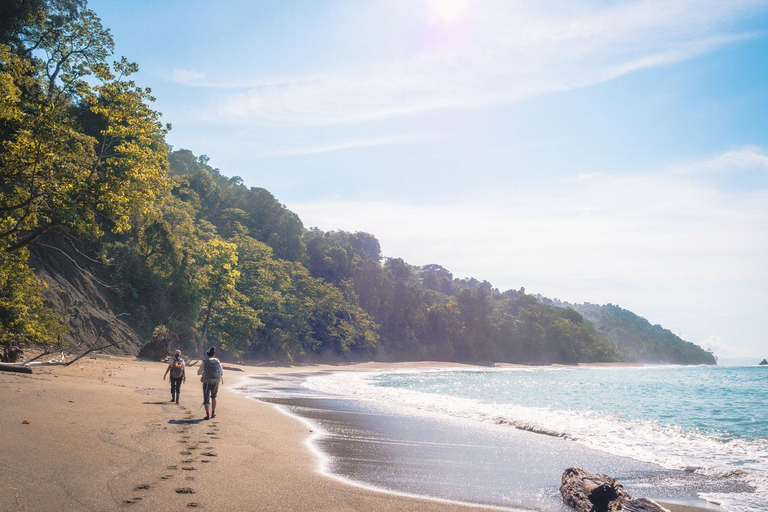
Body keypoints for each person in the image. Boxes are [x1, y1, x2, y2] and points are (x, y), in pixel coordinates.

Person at [197, 346, 223, 420]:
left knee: (206, 398)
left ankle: (207, 414)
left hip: (206, 382)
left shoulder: (205, 361)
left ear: (207, 354)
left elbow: (199, 371)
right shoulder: (217, 361)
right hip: (215, 382)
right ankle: (213, 412)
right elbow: (221, 372)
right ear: (214, 354)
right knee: (214, 397)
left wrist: (200, 373)